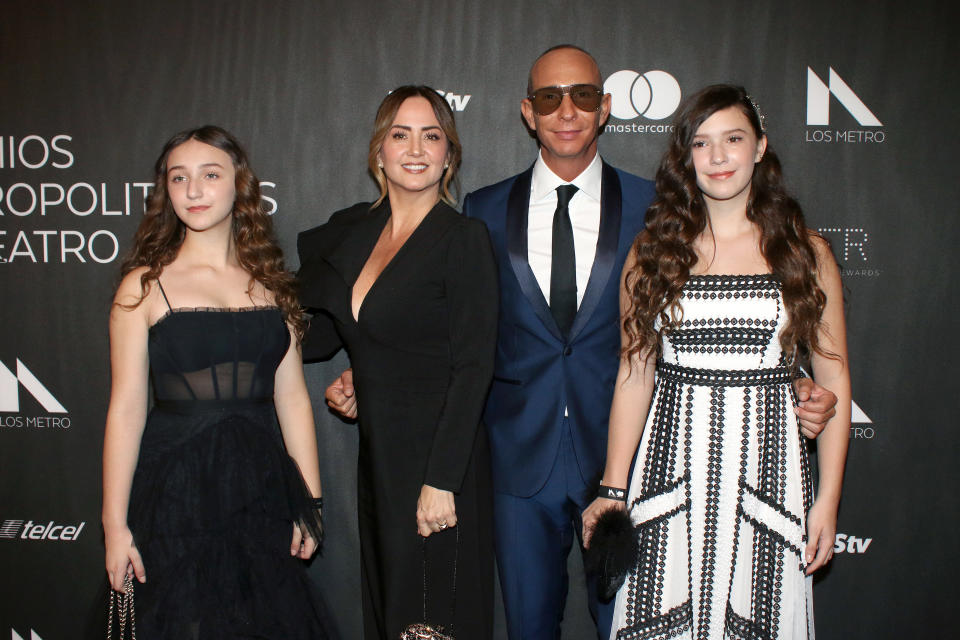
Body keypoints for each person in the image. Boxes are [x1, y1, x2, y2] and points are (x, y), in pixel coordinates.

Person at [326, 47, 839, 640]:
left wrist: (790, 379)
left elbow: (724, 309)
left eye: (583, 96)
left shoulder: (662, 209)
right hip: (517, 462)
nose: (566, 110)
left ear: (606, 108)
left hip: (638, 463)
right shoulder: (483, 210)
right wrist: (372, 376)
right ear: (527, 112)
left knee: (633, 626)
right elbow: (453, 331)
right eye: (549, 98)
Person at [583, 85, 851, 640]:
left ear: (760, 147)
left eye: (733, 139)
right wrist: (612, 489)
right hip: (670, 471)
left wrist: (826, 504)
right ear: (687, 159)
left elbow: (834, 378)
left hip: (769, 475)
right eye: (702, 144)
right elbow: (635, 375)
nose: (719, 156)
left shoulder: (805, 251)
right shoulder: (653, 252)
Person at [101, 126, 332, 638]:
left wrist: (310, 503)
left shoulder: (272, 286)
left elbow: (292, 399)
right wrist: (114, 526)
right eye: (179, 178)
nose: (194, 190)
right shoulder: (144, 284)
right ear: (167, 192)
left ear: (239, 186)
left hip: (261, 492)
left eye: (210, 174)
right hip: (173, 493)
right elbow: (126, 410)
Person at [297, 86, 498, 640]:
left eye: (431, 135)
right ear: (378, 152)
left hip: (439, 463)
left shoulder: (463, 238)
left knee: (434, 619)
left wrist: (441, 480)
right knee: (389, 611)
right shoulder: (355, 232)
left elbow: (473, 366)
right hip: (380, 460)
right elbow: (324, 337)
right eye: (400, 134)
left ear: (449, 154)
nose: (416, 149)